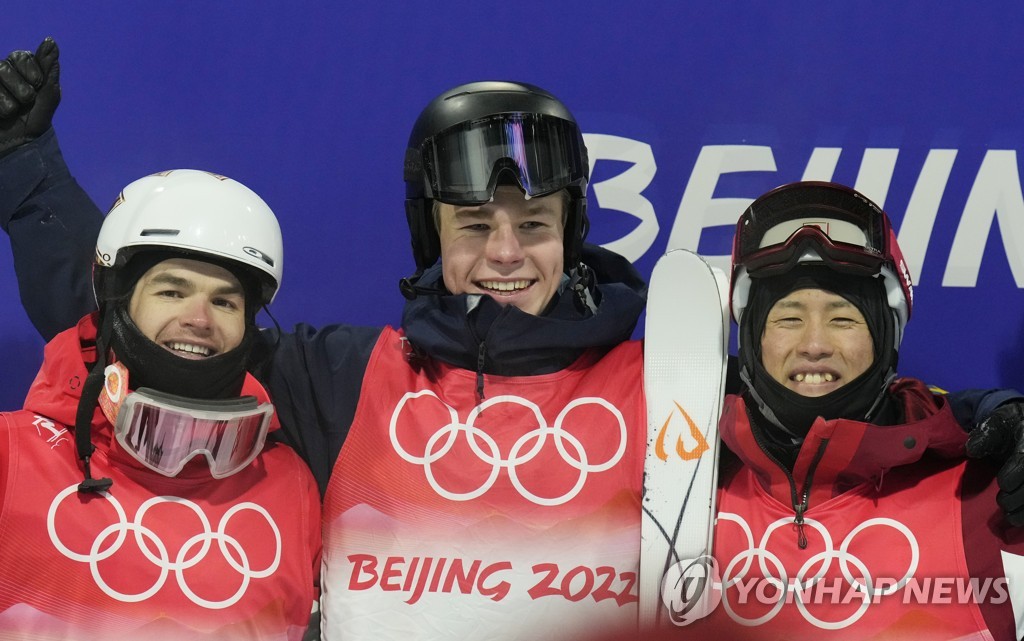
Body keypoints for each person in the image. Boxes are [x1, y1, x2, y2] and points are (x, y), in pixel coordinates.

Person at [2, 38, 1023, 640]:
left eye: (533, 226)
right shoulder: (349, 374)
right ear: (429, 233)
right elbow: (151, 337)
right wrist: (28, 171)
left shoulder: (662, 364)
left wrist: (989, 420)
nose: (505, 254)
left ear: (570, 230)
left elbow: (837, 414)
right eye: (472, 227)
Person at [676, 181, 1024, 639]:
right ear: (753, 339)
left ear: (886, 338)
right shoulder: (685, 479)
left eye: (843, 318)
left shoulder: (989, 498)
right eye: (788, 317)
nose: (815, 345)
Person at [0, 168, 322, 640]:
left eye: (226, 302)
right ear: (117, 302)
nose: (198, 319)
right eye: (172, 291)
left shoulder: (291, 484)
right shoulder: (12, 456)